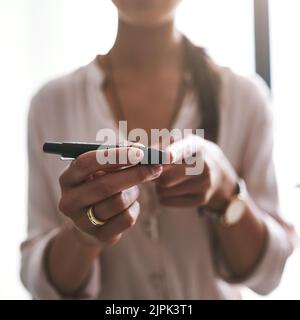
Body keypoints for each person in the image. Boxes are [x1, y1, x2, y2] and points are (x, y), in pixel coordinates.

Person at [21, 0, 294, 299]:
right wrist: (83, 235)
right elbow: (41, 284)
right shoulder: (50, 105)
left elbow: (270, 273)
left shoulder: (246, 99)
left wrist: (225, 192)